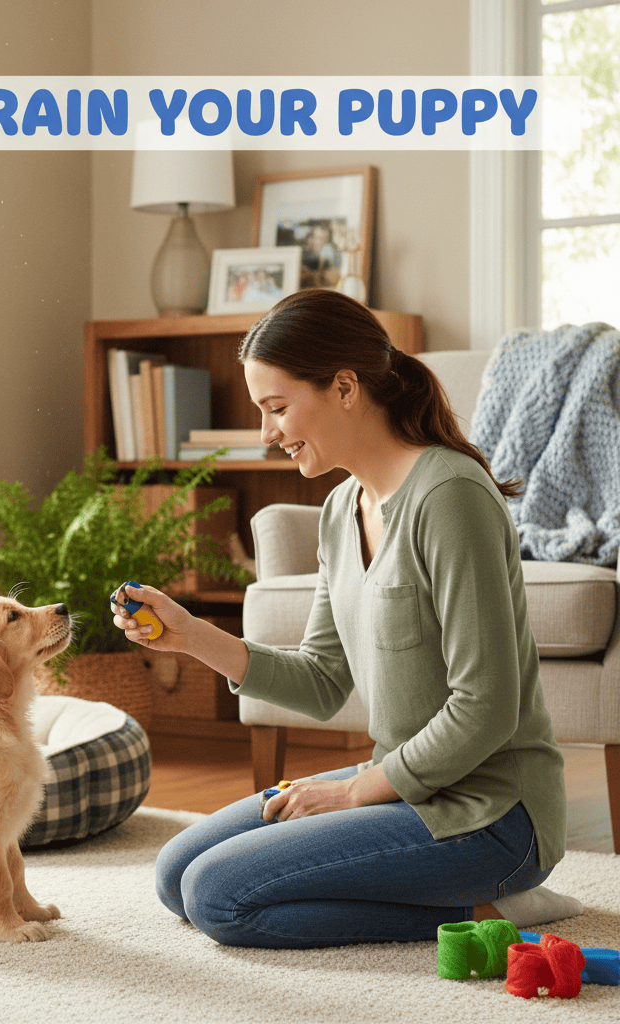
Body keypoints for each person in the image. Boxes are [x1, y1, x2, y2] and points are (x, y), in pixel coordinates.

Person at [110, 289, 582, 949]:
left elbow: (487, 707)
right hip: (406, 781)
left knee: (217, 897)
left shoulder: (449, 497)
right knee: (175, 872)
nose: (268, 433)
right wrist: (189, 635)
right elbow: (323, 678)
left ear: (344, 387)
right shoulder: (341, 509)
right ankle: (446, 891)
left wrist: (353, 793)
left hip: (493, 813)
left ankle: (497, 910)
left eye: (277, 408)